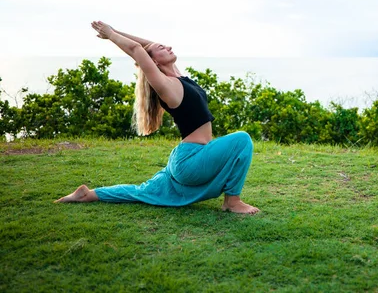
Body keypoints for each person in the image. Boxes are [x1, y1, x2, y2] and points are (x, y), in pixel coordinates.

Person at [55, 21, 260, 214]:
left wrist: (114, 32)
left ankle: (89, 194)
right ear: (153, 61)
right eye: (162, 48)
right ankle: (232, 202)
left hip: (189, 156)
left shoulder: (177, 76)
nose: (168, 47)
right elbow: (138, 50)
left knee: (142, 190)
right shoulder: (165, 86)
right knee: (242, 139)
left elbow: (144, 46)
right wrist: (110, 35)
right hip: (190, 160)